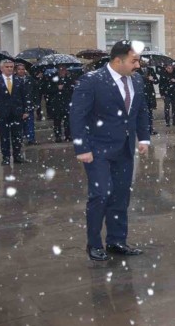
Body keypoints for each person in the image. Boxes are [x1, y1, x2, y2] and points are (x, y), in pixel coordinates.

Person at [69, 40, 151, 261]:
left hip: (125, 149)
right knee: (101, 194)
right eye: (134, 61)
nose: (138, 66)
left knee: (120, 196)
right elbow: (77, 116)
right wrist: (82, 147)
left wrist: (144, 138)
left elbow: (141, 111)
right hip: (97, 150)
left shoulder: (137, 81)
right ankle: (94, 244)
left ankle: (116, 241)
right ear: (117, 60)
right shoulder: (92, 81)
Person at [0, 59, 30, 165]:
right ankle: (6, 157)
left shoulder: (19, 81)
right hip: (2, 113)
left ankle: (17, 155)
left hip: (17, 112)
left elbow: (24, 96)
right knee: (4, 136)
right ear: (1, 68)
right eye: (7, 67)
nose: (9, 69)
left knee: (17, 136)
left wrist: (26, 110)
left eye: (11, 67)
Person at [46, 65, 76, 143]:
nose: (62, 71)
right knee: (57, 121)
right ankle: (58, 136)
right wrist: (57, 88)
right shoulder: (54, 79)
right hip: (57, 104)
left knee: (67, 121)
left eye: (64, 70)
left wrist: (67, 88)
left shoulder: (69, 79)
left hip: (66, 103)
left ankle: (68, 135)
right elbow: (48, 90)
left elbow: (72, 90)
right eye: (61, 70)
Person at [15, 63, 37, 145]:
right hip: (18, 105)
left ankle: (31, 138)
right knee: (19, 123)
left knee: (30, 122)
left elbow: (35, 91)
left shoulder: (30, 79)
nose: (21, 71)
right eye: (19, 69)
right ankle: (19, 138)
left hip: (29, 103)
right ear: (16, 70)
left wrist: (36, 102)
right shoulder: (14, 80)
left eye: (22, 69)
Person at [136, 62, 158, 135]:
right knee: (142, 114)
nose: (144, 63)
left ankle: (150, 129)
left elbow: (156, 81)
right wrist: (146, 78)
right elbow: (137, 80)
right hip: (141, 95)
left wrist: (153, 79)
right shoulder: (136, 70)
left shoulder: (151, 70)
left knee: (150, 113)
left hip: (150, 94)